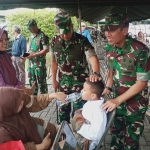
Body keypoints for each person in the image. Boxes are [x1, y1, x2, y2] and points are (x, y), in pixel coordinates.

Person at [101, 13, 150, 150]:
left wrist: (117, 100)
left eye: (111, 30)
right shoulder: (110, 48)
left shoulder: (140, 51)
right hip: (116, 103)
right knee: (116, 137)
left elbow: (142, 83)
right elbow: (111, 72)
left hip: (135, 106)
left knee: (131, 142)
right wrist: (108, 88)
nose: (107, 34)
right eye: (106, 29)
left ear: (124, 30)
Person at [50, 11, 100, 124]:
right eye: (62, 33)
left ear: (72, 26)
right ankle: (64, 136)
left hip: (81, 84)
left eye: (67, 32)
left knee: (80, 113)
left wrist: (96, 73)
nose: (65, 35)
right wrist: (53, 80)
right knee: (62, 111)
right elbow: (53, 61)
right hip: (63, 82)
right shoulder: (54, 41)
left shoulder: (82, 40)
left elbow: (92, 57)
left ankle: (78, 138)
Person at [0, 87, 67, 150]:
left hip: (41, 133)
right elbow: (16, 148)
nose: (22, 102)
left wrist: (53, 95)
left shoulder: (17, 97)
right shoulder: (2, 134)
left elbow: (34, 101)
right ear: (8, 110)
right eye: (19, 104)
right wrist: (42, 146)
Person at [70, 80, 107, 150]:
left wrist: (78, 126)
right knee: (60, 129)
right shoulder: (91, 102)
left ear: (93, 95)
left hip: (86, 141)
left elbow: (96, 135)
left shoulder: (98, 111)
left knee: (58, 145)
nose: (81, 91)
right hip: (82, 133)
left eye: (84, 90)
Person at [0, 29, 35, 94]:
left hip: (19, 58)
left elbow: (24, 50)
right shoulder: (15, 39)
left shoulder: (5, 55)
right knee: (17, 72)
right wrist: (21, 89)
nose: (5, 42)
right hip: (5, 99)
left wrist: (21, 86)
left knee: (21, 72)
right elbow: (2, 87)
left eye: (6, 39)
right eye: (1, 40)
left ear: (15, 30)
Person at [26, 19, 49, 95]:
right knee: (32, 84)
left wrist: (34, 55)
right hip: (31, 65)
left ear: (35, 26)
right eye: (29, 29)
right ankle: (34, 100)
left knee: (42, 84)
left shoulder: (42, 35)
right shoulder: (31, 36)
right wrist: (27, 54)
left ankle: (44, 100)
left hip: (39, 65)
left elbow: (46, 49)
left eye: (31, 28)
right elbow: (30, 48)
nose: (30, 30)